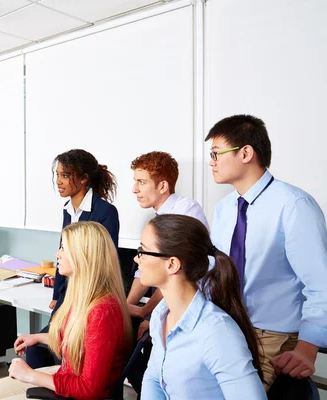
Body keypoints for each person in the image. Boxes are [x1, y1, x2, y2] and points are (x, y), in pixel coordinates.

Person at [206, 114, 327, 389]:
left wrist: (307, 349)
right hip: (226, 324)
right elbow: (216, 270)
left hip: (271, 336)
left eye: (215, 153)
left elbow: (321, 284)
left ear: (246, 153)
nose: (211, 162)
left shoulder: (294, 205)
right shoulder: (225, 209)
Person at [0, 221, 131, 400]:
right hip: (69, 375)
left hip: (82, 392)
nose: (57, 254)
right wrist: (38, 337)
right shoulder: (82, 297)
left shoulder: (102, 311)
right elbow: (78, 342)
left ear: (82, 256)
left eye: (63, 248)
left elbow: (90, 389)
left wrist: (30, 375)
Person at [138, 214, 266, 399]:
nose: (137, 259)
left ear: (172, 264)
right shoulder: (161, 313)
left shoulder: (216, 331)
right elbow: (154, 378)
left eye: (143, 251)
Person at [27, 149, 120, 369]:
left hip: (89, 296)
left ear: (83, 178)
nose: (58, 181)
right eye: (57, 175)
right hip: (68, 296)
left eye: (65, 175)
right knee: (37, 348)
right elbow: (63, 251)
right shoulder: (68, 210)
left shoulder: (106, 212)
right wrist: (57, 294)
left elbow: (103, 261)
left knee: (64, 351)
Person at [127, 151, 209, 339]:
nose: (134, 189)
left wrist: (146, 311)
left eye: (142, 182)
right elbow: (144, 269)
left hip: (188, 312)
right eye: (135, 181)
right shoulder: (155, 219)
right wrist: (126, 307)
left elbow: (176, 274)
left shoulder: (186, 211)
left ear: (162, 186)